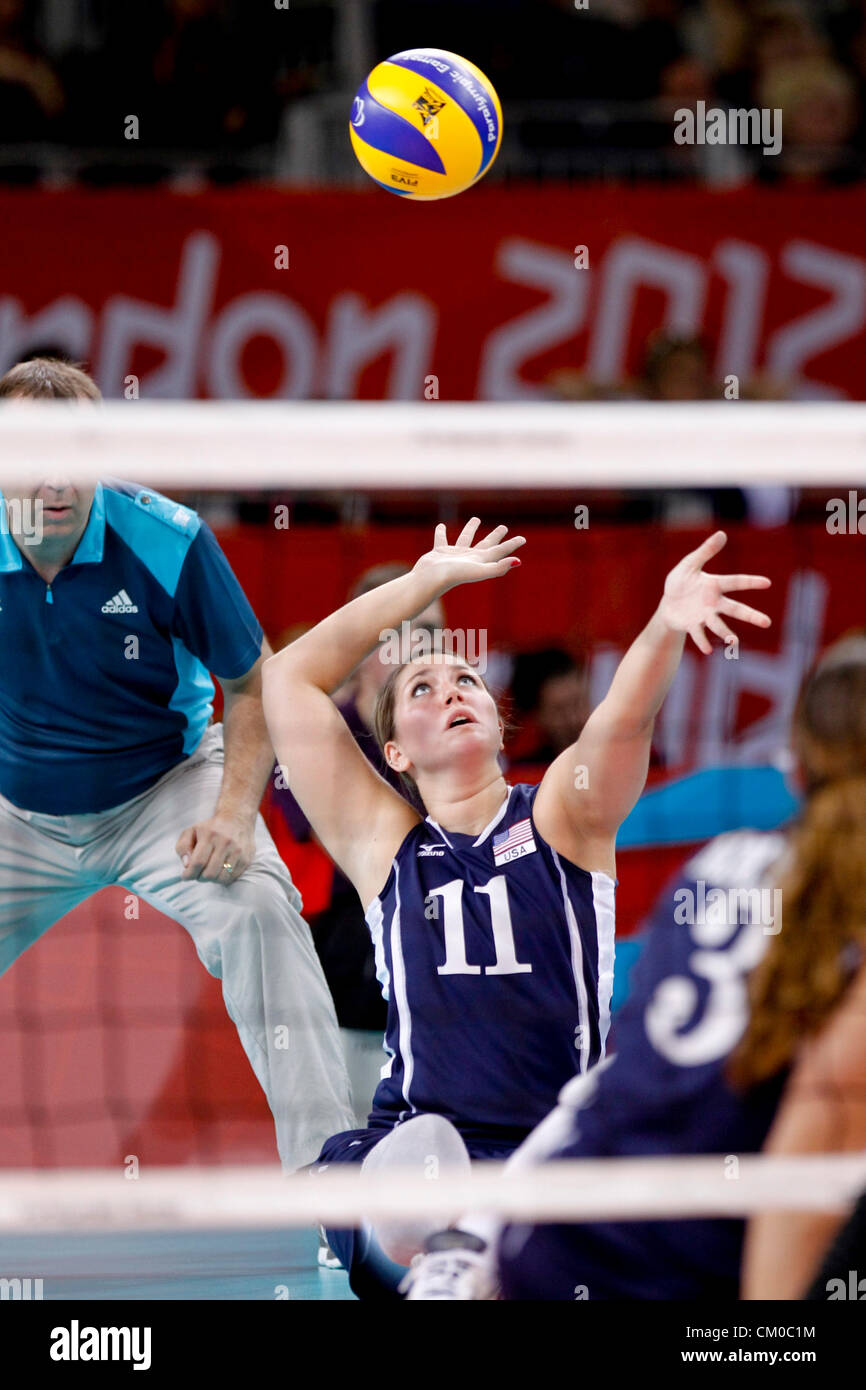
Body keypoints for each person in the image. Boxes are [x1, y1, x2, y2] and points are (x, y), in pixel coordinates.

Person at [261, 516, 771, 1297]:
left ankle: (461, 1248)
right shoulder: (384, 845)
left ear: (499, 721)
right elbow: (285, 682)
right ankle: (440, 1242)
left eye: (464, 681)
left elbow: (624, 721)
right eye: (421, 691)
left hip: (551, 1147)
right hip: (420, 1141)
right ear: (393, 749)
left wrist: (666, 624)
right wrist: (422, 585)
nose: (450, 691)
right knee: (377, 1171)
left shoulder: (562, 816)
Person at [404, 629, 866, 1300]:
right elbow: (811, 1151)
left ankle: (463, 1247)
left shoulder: (720, 861)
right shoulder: (842, 915)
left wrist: (479, 1235)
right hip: (682, 1261)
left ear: (795, 766)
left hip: (552, 1234)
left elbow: (605, 1086)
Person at [0, 356, 354, 1172]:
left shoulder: (166, 538)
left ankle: (335, 1184)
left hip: (166, 788)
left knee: (261, 913)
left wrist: (232, 814)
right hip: (21, 806)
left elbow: (253, 680)